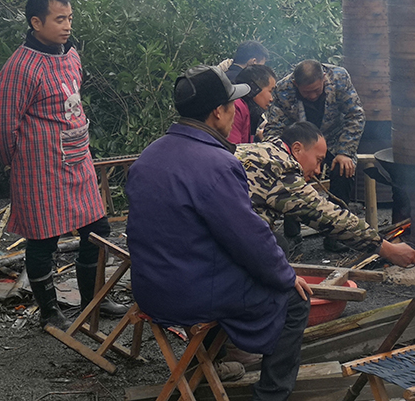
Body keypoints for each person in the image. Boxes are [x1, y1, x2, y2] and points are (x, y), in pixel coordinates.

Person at [126, 65, 312, 401]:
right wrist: (285, 276)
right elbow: (249, 238)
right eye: (231, 106)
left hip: (150, 289)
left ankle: (207, 364)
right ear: (217, 112)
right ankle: (271, 395)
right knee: (294, 299)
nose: (234, 113)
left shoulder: (148, 155)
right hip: (189, 294)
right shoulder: (216, 163)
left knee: (235, 268)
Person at [0, 0, 122, 329]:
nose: (66, 26)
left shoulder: (71, 56)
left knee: (98, 231)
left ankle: (95, 299)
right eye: (59, 19)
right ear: (36, 22)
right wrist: (15, 164)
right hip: (39, 169)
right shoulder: (19, 68)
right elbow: (3, 128)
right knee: (42, 239)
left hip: (78, 162)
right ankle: (50, 313)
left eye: (69, 18)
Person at [237, 121, 415, 267]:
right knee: (275, 251)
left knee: (276, 243)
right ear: (296, 149)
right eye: (318, 161)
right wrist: (387, 249)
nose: (318, 171)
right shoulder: (280, 167)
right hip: (217, 242)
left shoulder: (256, 150)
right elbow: (327, 216)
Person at [265, 60, 364, 210]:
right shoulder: (283, 89)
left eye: (316, 90)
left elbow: (355, 115)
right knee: (290, 172)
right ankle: (292, 229)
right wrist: (281, 157)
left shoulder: (339, 77)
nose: (312, 96)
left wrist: (345, 152)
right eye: (306, 92)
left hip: (335, 140)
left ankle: (337, 222)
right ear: (295, 84)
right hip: (301, 145)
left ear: (324, 78)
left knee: (343, 169)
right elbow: (274, 128)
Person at [228, 64, 277, 144]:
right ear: (255, 88)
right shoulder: (236, 107)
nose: (271, 99)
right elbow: (233, 149)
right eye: (270, 91)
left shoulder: (248, 110)